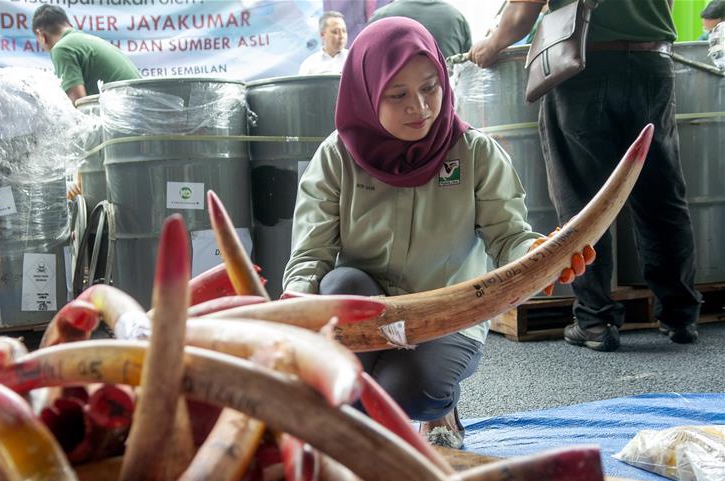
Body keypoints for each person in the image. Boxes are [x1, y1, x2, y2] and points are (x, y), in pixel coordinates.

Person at [282, 17, 592, 446]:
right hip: (366, 306)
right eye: (398, 95)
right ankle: (357, 415)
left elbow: (509, 237)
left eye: (431, 87)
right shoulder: (336, 157)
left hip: (447, 315)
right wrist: (291, 310)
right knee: (339, 284)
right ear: (366, 92)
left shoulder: (475, 153)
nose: (421, 107)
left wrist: (542, 255)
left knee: (404, 391)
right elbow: (310, 256)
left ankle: (439, 407)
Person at [470, 0, 702, 352]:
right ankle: (680, 315)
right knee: (661, 195)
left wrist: (488, 47)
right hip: (653, 62)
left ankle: (596, 320)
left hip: (582, 63)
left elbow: (521, 12)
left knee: (582, 196)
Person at [32, 5, 140, 104]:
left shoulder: (62, 48)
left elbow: (79, 106)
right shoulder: (86, 41)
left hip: (131, 116)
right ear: (69, 25)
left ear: (41, 35)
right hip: (143, 110)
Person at [368, 0, 473, 59]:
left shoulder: (379, 18)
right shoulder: (455, 17)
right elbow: (468, 70)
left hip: (391, 95)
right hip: (445, 95)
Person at [298, 11, 348, 75]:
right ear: (322, 35)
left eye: (344, 31)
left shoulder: (354, 60)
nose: (342, 36)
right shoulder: (309, 65)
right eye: (335, 32)